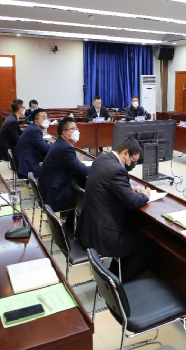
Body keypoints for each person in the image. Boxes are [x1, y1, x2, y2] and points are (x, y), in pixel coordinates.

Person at [76, 137, 151, 283]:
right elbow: (132, 201)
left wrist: (129, 188)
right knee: (144, 247)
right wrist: (145, 195)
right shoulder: (118, 170)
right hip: (104, 233)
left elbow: (107, 183)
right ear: (125, 153)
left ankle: (114, 272)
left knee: (132, 234)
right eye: (134, 161)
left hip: (89, 227)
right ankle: (116, 283)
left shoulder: (101, 160)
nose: (133, 165)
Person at [39, 117, 89, 231]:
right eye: (73, 129)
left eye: (76, 128)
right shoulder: (65, 148)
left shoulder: (61, 144)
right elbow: (82, 171)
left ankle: (71, 226)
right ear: (64, 133)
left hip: (51, 188)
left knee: (82, 187)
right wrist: (98, 164)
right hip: (55, 194)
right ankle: (78, 230)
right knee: (89, 195)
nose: (77, 131)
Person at [14, 108, 52, 178]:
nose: (46, 120)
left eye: (47, 118)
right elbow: (46, 148)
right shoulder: (35, 130)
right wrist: (54, 146)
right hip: (27, 164)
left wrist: (47, 143)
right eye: (44, 118)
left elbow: (40, 142)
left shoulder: (33, 127)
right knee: (54, 171)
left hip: (24, 160)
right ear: (36, 121)